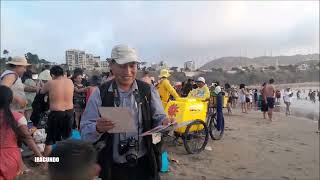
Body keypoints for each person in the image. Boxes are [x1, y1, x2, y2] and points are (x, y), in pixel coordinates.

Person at [81, 44, 173, 180]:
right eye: (123, 66)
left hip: (144, 162)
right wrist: (97, 128)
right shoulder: (100, 93)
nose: (128, 71)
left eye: (132, 66)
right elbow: (84, 132)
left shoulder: (147, 91)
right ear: (111, 65)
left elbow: (158, 117)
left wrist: (165, 122)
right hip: (113, 166)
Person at [0, 85, 43, 179]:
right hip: (11, 158)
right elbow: (27, 138)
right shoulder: (17, 117)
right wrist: (40, 157)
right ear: (11, 100)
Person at [40, 66, 74, 157]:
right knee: (67, 138)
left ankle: (45, 164)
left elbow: (41, 92)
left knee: (50, 140)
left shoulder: (51, 82)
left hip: (57, 113)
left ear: (52, 75)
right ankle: (67, 160)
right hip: (69, 112)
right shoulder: (70, 81)